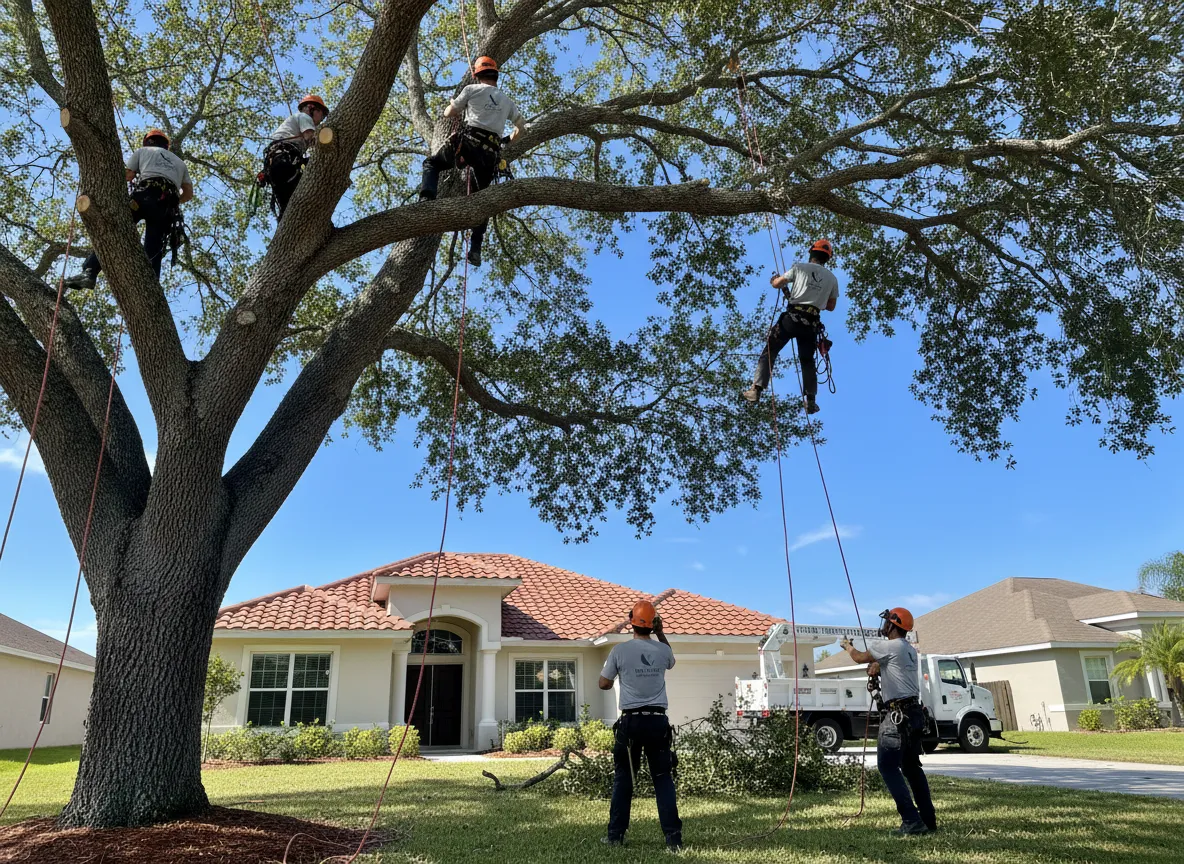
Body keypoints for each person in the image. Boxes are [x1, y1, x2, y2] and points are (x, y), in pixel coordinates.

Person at [419, 56, 527, 268]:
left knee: (431, 164)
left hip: (468, 143)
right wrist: (505, 142)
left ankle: (426, 200)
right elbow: (522, 128)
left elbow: (448, 113)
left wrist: (452, 104)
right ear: (495, 75)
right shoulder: (506, 101)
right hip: (489, 153)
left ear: (477, 75)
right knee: (482, 200)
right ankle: (475, 248)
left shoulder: (471, 89)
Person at [841, 607, 936, 837]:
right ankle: (928, 820)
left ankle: (911, 821)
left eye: (887, 623)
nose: (884, 626)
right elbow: (889, 668)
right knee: (912, 767)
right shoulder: (909, 650)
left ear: (893, 625)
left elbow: (860, 658)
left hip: (897, 717)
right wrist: (878, 668)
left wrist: (847, 646)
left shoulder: (888, 646)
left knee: (887, 766)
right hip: (914, 715)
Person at [598, 600, 683, 850]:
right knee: (662, 779)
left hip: (631, 723)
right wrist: (661, 632)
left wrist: (621, 677)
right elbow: (671, 660)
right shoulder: (662, 650)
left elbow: (603, 684)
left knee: (624, 779)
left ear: (630, 621)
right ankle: (673, 840)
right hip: (657, 722)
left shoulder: (619, 651)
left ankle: (615, 836)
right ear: (654, 623)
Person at [63, 129, 193, 290]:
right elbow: (188, 193)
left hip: (143, 196)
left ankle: (89, 272)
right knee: (154, 249)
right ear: (166, 145)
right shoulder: (180, 163)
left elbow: (128, 175)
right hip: (166, 207)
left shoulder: (143, 151)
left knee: (113, 231)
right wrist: (173, 201)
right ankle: (151, 288)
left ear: (148, 141)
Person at [742, 239, 839, 413]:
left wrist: (774, 281)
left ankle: (756, 390)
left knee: (770, 351)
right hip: (811, 324)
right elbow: (831, 307)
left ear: (811, 253)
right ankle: (810, 400)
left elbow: (778, 283)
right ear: (827, 258)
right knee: (807, 361)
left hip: (791, 320)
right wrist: (817, 298)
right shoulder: (832, 279)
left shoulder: (800, 267)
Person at [261, 94, 329, 220]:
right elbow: (311, 138)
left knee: (287, 209)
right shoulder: (304, 117)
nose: (322, 119)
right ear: (312, 108)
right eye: (322, 114)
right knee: (304, 198)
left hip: (276, 164)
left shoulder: (295, 120)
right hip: (285, 161)